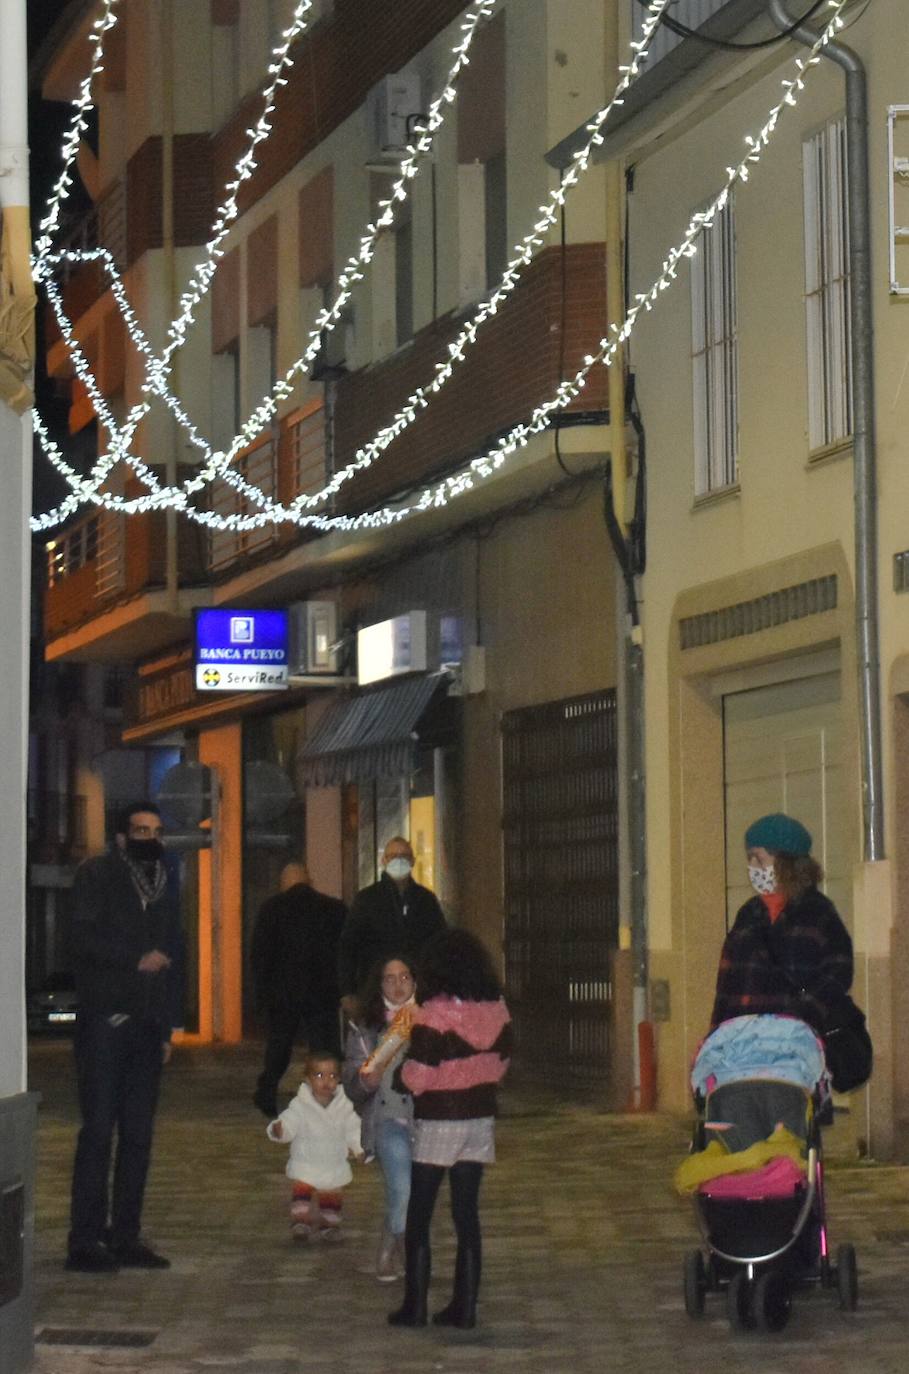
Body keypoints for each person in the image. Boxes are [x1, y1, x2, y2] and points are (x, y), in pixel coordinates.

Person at [65, 801, 183, 1272]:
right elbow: (80, 940)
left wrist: (168, 1026)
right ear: (121, 837)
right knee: (98, 1131)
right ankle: (84, 1239)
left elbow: (173, 954)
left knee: (138, 1135)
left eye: (156, 830)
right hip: (104, 1022)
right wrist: (134, 958)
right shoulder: (97, 875)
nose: (149, 839)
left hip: (147, 1026)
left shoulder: (165, 882)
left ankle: (125, 1235)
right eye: (140, 830)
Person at [388, 928, 512, 1331]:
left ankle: (415, 1306)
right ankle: (465, 1306)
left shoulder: (434, 1014)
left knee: (420, 1214)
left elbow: (420, 1075)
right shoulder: (497, 1009)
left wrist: (402, 1076)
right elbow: (502, 1063)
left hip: (440, 1119)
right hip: (479, 1118)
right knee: (466, 1214)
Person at [710, 812, 854, 1034]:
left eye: (759, 858)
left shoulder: (818, 913)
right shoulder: (749, 913)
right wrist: (715, 1034)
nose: (752, 866)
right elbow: (726, 982)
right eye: (749, 858)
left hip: (793, 1042)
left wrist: (801, 1016)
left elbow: (838, 974)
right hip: (742, 1041)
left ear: (785, 862)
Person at [251, 860, 347, 1117]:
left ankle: (267, 1092)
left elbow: (260, 956)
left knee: (279, 1047)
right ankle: (330, 1095)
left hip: (283, 993)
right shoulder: (333, 909)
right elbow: (345, 951)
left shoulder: (272, 909)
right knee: (324, 1047)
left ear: (284, 883)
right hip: (322, 991)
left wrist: (261, 994)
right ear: (309, 880)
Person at [342, 955, 416, 1282]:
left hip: (426, 1121)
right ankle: (405, 1252)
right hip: (387, 1119)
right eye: (389, 978)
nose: (398, 985)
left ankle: (389, 1245)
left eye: (404, 977)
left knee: (410, 1193)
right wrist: (364, 1082)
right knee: (402, 1187)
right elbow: (351, 1084)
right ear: (379, 985)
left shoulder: (431, 1018)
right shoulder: (364, 1028)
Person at [338, 837, 445, 1018]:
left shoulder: (426, 900)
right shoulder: (367, 899)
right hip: (374, 994)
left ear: (412, 861)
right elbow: (348, 947)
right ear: (384, 860)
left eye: (404, 856)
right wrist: (347, 992)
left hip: (418, 994)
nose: (399, 860)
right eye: (393, 856)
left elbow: (440, 945)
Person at [266, 1050, 363, 1241]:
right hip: (306, 1161)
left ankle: (330, 1225)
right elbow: (289, 1122)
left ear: (339, 1079)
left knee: (331, 1198)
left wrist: (359, 1148)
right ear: (308, 1079)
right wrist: (280, 1130)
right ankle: (300, 1222)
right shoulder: (300, 1105)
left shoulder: (344, 1106)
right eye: (319, 1075)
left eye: (332, 1076)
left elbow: (353, 1129)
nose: (326, 1081)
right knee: (302, 1193)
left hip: (332, 1161)